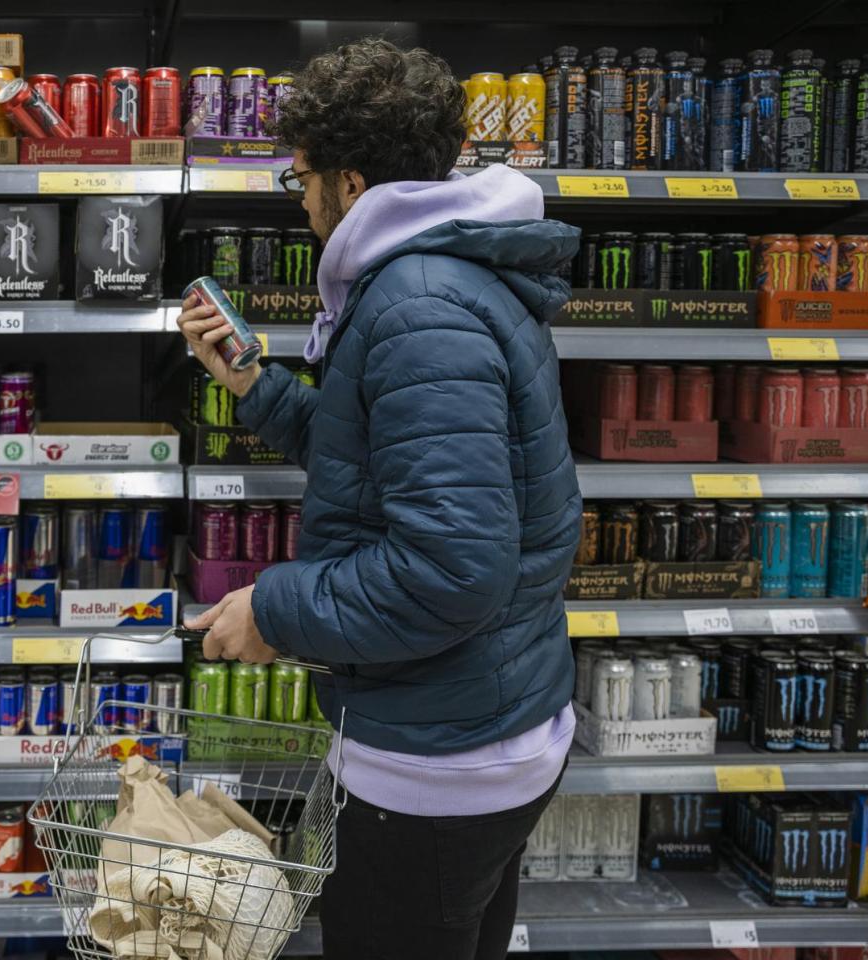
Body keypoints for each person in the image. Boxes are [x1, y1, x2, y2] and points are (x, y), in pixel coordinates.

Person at [179, 38, 582, 960]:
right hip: (474, 723)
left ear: (350, 184)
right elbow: (389, 464)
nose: (304, 200)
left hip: (442, 764)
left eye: (303, 179)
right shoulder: (438, 279)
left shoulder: (417, 306)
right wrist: (258, 388)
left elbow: (449, 569)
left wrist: (273, 609)